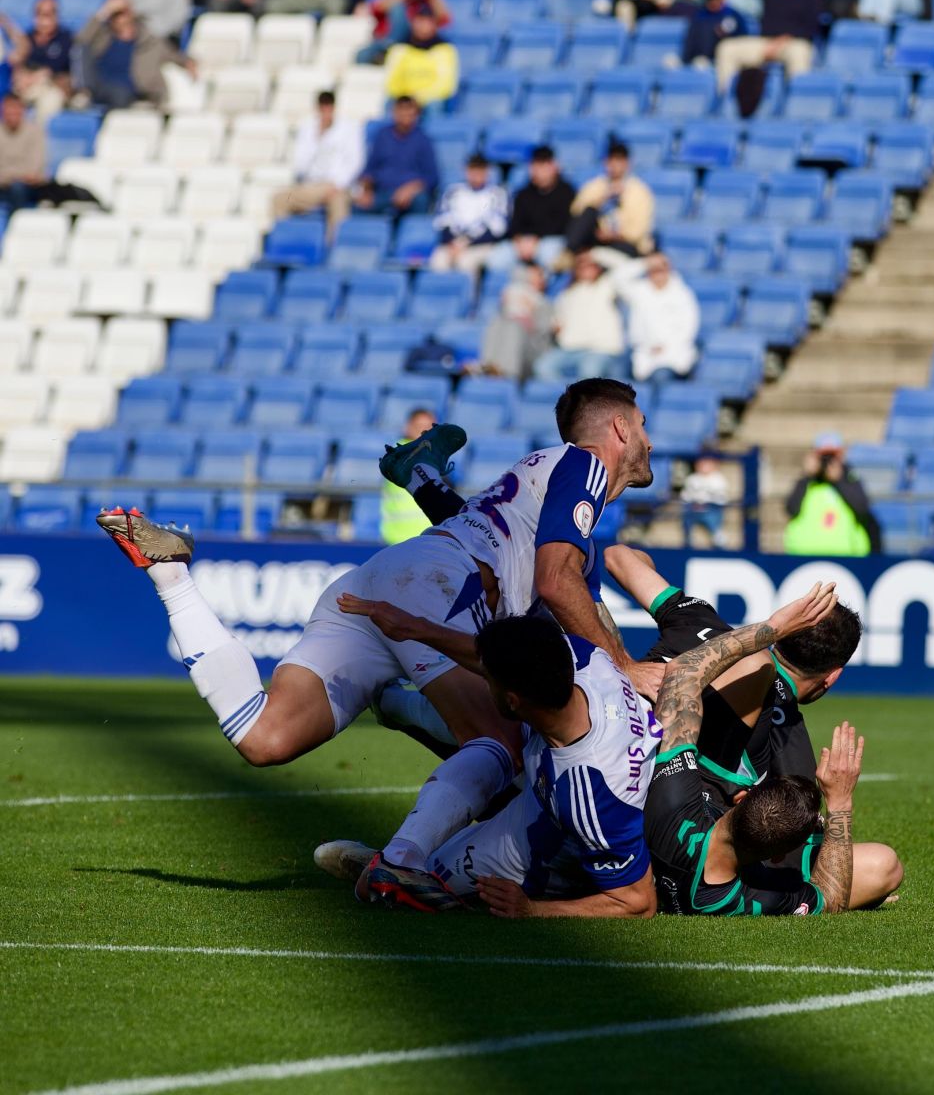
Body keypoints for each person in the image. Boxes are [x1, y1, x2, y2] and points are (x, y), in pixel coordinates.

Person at [94, 375, 654, 777]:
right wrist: (626, 670)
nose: (651, 439)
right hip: (435, 588)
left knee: (264, 737)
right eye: (645, 426)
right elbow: (558, 585)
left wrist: (425, 485)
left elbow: (553, 583)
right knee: (503, 746)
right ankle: (406, 865)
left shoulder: (538, 484)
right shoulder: (583, 465)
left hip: (386, 578)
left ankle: (170, 577)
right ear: (620, 429)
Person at [320, 610, 663, 918]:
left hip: (549, 836)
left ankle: (392, 865)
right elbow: (498, 657)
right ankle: (400, 855)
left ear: (514, 699)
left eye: (490, 681)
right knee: (487, 733)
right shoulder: (581, 656)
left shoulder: (591, 796)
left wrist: (533, 910)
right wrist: (420, 628)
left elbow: (636, 901)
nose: (484, 680)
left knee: (420, 880)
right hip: (548, 766)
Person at [646, 626, 895, 916]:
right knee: (884, 864)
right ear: (776, 856)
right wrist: (840, 803)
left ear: (740, 800)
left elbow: (681, 676)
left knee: (756, 663)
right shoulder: (744, 896)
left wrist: (775, 626)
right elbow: (831, 898)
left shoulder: (674, 807)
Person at [716, 0, 826, 90]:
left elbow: (811, 28)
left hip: (793, 43)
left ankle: (796, 100)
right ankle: (726, 98)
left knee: (800, 52)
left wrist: (781, 41)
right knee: (727, 48)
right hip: (765, 43)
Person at [269, 90, 363, 238]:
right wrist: (319, 135)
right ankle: (286, 241)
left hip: (336, 186)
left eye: (328, 106)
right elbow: (301, 163)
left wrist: (337, 184)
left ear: (333, 107)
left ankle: (332, 249)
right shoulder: (308, 128)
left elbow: (355, 161)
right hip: (311, 187)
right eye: (322, 106)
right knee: (280, 199)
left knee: (338, 206)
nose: (326, 110)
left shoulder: (349, 128)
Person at [75, 0, 191, 110]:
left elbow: (173, 55)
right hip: (104, 89)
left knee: (124, 96)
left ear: (131, 13)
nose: (119, 18)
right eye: (114, 14)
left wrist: (189, 63)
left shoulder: (149, 40)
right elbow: (80, 42)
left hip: (139, 91)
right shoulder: (103, 37)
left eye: (123, 12)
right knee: (118, 95)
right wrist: (103, 13)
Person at [534, 249, 630, 382]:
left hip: (599, 348)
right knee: (543, 367)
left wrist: (596, 254)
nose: (586, 269)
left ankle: (584, 402)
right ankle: (567, 400)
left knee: (589, 370)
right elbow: (557, 319)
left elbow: (626, 266)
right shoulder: (566, 294)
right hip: (570, 348)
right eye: (581, 266)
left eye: (590, 265)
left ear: (598, 268)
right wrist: (555, 327)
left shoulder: (607, 285)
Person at [784, 433, 884, 556]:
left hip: (847, 558)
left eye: (833, 456)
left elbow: (862, 508)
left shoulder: (851, 480)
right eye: (824, 456)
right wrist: (806, 477)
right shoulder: (806, 483)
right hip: (804, 558)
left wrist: (840, 481)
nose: (828, 461)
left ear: (841, 456)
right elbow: (790, 509)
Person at [618, 249, 699, 381]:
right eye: (653, 268)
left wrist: (664, 346)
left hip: (673, 354)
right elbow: (618, 279)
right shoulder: (640, 290)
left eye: (662, 267)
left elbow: (689, 328)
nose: (658, 272)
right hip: (644, 353)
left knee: (661, 376)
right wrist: (644, 263)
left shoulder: (682, 294)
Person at [353, 94, 437, 217]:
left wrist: (409, 190)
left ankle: (412, 235)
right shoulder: (382, 136)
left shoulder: (423, 140)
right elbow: (369, 169)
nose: (405, 114)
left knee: (420, 200)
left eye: (409, 110)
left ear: (415, 114)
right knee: (358, 206)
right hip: (382, 192)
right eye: (401, 110)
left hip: (411, 195)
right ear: (394, 112)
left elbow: (432, 177)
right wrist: (367, 190)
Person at [567, 141, 654, 257]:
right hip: (597, 239)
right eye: (611, 160)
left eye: (619, 160)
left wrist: (614, 235)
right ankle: (573, 253)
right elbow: (576, 212)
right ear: (606, 162)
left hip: (627, 244)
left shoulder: (640, 191)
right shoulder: (595, 186)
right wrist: (602, 198)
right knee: (588, 212)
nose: (615, 165)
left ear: (627, 163)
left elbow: (638, 231)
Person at [429, 154, 509, 273]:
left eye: (480, 170)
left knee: (465, 262)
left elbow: (498, 229)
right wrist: (454, 243)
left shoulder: (498, 194)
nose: (476, 174)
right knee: (439, 261)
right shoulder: (452, 192)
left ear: (487, 171)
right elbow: (442, 222)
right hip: (452, 244)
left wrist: (467, 243)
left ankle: (470, 291)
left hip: (483, 245)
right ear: (466, 171)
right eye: (473, 169)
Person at [358, 0, 449, 64]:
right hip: (384, 46)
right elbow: (374, 9)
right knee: (361, 55)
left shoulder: (421, 1)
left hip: (411, 46)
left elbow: (443, 18)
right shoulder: (391, 0)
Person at [479, 261, 553, 380]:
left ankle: (507, 373)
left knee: (514, 327)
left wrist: (532, 313)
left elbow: (543, 335)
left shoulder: (545, 305)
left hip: (533, 351)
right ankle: (488, 366)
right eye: (532, 275)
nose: (538, 279)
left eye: (539, 275)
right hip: (512, 348)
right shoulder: (513, 299)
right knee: (497, 322)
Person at [503, 144, 575, 266]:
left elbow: (564, 225)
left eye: (543, 164)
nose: (538, 170)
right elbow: (515, 224)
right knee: (499, 256)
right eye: (535, 164)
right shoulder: (523, 194)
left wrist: (536, 239)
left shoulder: (567, 192)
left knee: (547, 252)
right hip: (525, 242)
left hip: (553, 240)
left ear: (554, 166)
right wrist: (519, 240)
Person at [3, 0, 75, 115]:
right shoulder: (28, 38)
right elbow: (17, 62)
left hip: (51, 87)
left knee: (51, 99)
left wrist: (37, 77)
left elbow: (59, 67)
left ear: (56, 16)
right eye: (40, 14)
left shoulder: (65, 39)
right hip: (24, 88)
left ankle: (38, 133)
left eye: (48, 14)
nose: (44, 20)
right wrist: (20, 75)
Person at [379, 408, 437, 544]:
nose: (424, 432)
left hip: (429, 536)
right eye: (419, 427)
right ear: (408, 427)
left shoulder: (434, 454)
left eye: (430, 428)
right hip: (399, 537)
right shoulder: (398, 452)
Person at [383, 9, 458, 107]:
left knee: (434, 105)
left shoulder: (445, 50)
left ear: (435, 25)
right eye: (420, 22)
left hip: (429, 101)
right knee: (391, 103)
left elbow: (446, 85)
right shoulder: (399, 49)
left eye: (427, 23)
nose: (423, 27)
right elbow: (391, 80)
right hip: (404, 99)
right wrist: (405, 98)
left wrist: (419, 98)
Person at [683, 0, 747, 68]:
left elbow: (742, 42)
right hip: (701, 64)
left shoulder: (733, 16)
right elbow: (690, 44)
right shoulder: (699, 16)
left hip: (727, 63)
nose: (713, 2)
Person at [0, 91, 46, 210]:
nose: (12, 114)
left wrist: (8, 175)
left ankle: (16, 223)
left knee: (17, 188)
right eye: (8, 110)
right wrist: (13, 175)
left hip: (27, 188)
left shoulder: (35, 132)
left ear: (23, 110)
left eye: (15, 110)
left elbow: (32, 172)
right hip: (3, 186)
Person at [680, 453, 729, 548]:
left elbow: (721, 498)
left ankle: (719, 544)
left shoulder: (718, 479)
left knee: (714, 526)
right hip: (694, 508)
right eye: (700, 463)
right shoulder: (692, 479)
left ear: (714, 465)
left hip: (711, 509)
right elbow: (686, 495)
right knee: (687, 522)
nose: (703, 466)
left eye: (706, 463)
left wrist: (707, 502)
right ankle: (687, 543)